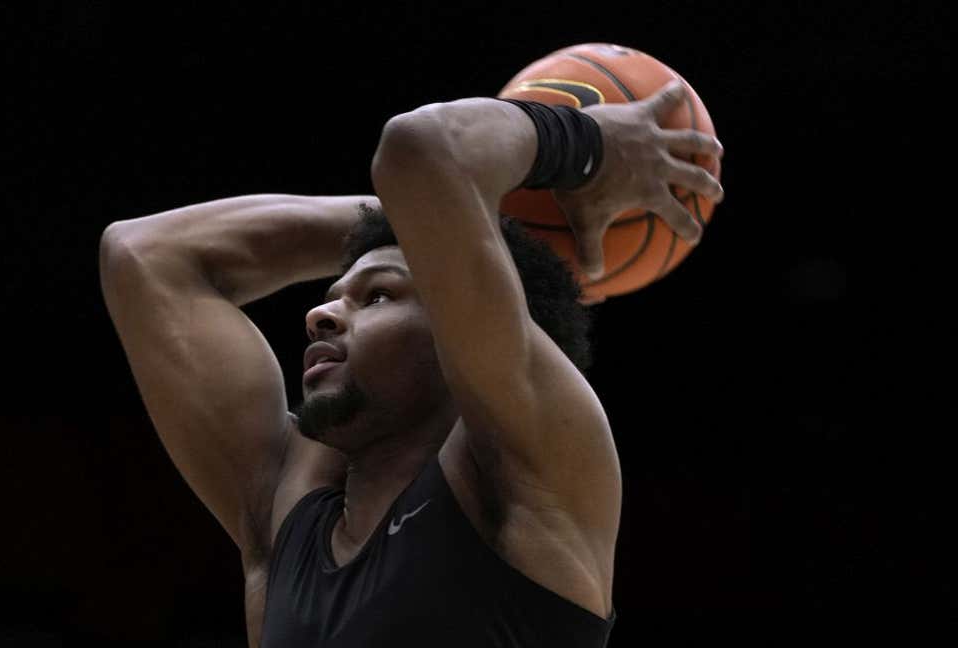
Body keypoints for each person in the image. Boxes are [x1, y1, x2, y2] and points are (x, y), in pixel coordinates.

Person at [99, 80, 724, 647]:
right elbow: (145, 255)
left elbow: (423, 148)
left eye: (376, 296)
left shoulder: (526, 470)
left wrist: (584, 143)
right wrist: (448, 226)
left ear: (461, 328)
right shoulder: (283, 515)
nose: (321, 316)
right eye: (330, 298)